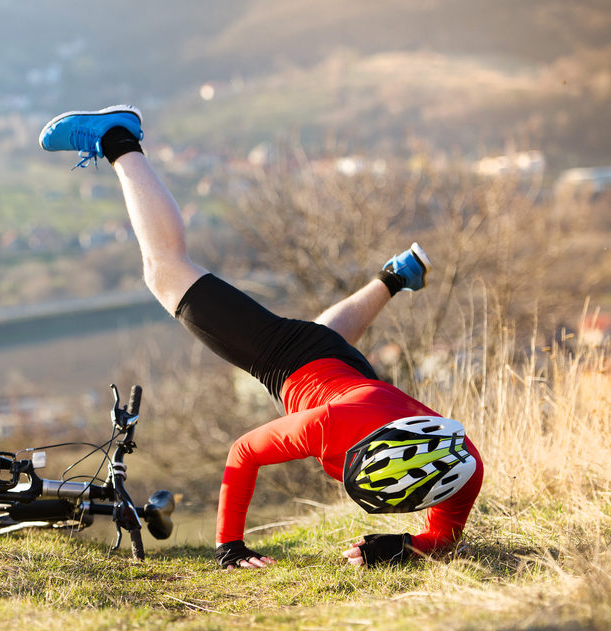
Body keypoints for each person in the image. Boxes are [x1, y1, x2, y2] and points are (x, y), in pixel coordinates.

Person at [38, 105, 484, 569]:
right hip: (291, 364)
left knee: (324, 340)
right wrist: (230, 546)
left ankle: (395, 277)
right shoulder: (328, 426)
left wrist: (400, 546)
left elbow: (441, 538)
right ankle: (118, 139)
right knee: (165, 271)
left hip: (345, 372)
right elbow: (244, 452)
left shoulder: (463, 464)